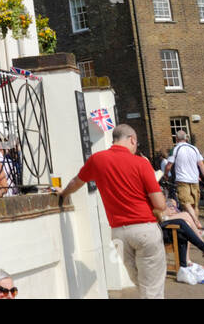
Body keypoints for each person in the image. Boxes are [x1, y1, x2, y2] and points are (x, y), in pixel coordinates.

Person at [57, 124, 167, 299]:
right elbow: (160, 204)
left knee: (142, 283)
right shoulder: (141, 163)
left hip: (118, 233)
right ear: (132, 139)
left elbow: (76, 183)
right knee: (152, 288)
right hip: (144, 228)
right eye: (136, 143)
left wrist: (63, 194)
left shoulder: (97, 159)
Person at [159, 196, 204, 267]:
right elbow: (156, 210)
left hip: (160, 222)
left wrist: (169, 206)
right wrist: (164, 211)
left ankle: (186, 263)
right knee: (185, 216)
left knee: (186, 223)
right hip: (156, 224)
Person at [163, 130, 204, 215]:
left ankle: (196, 222)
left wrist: (166, 174)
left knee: (186, 204)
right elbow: (202, 166)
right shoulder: (194, 148)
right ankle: (195, 227)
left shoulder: (175, 149)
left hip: (182, 180)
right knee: (195, 206)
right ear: (186, 138)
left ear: (176, 139)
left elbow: (168, 166)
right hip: (195, 180)